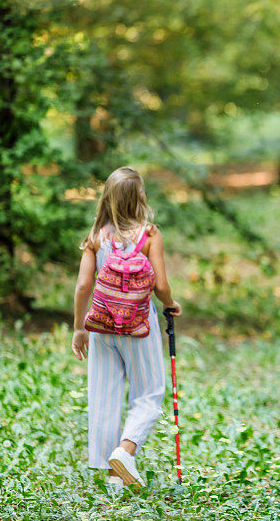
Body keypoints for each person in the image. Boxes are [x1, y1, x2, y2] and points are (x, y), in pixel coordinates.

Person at [71, 166, 182, 489]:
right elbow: (160, 284)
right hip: (138, 324)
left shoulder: (96, 237)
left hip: (101, 325)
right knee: (149, 392)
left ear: (107, 198)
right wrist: (171, 303)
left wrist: (79, 328)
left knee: (104, 396)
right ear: (141, 198)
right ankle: (125, 450)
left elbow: (82, 286)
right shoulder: (149, 234)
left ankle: (113, 480)